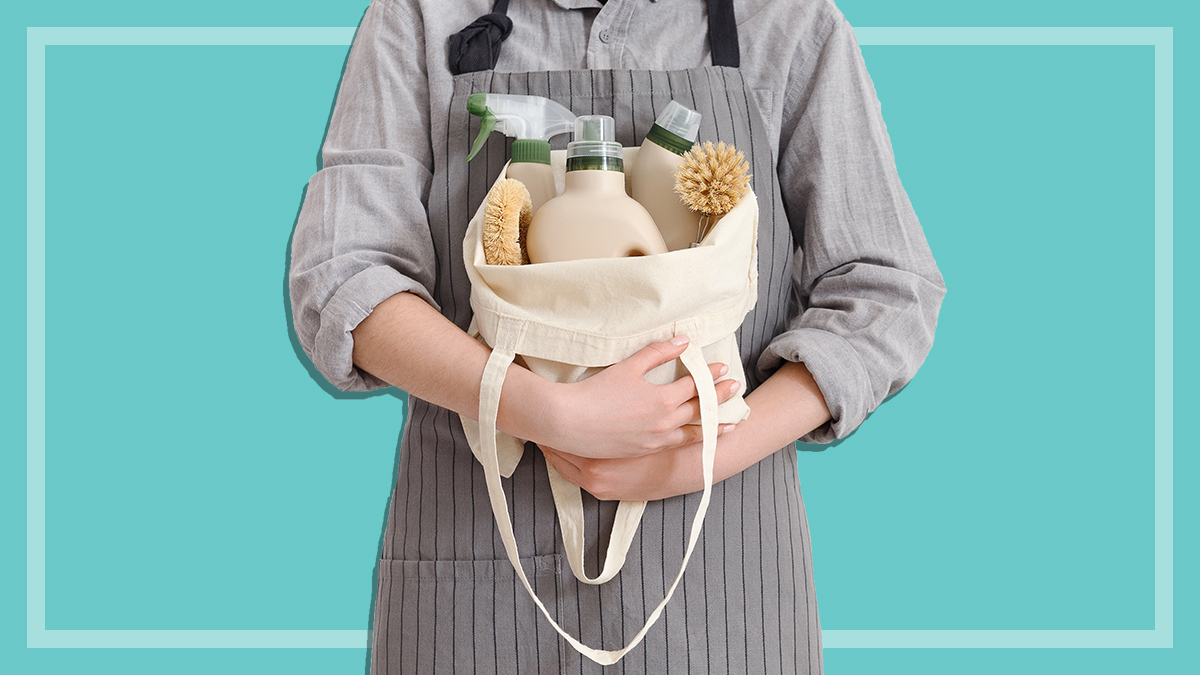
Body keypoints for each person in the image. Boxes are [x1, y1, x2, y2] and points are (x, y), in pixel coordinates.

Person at [288, 0, 946, 673]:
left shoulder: (789, 22)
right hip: (475, 570)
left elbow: (884, 291)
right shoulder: (419, 15)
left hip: (725, 578)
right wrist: (547, 411)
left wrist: (701, 458)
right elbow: (345, 274)